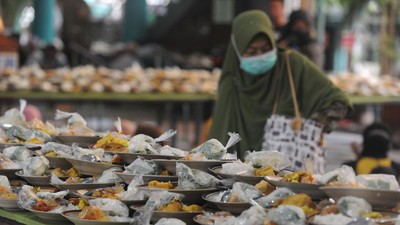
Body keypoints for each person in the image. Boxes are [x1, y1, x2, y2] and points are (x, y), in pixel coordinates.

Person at [208, 10, 351, 160]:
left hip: (285, 175)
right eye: (251, 51)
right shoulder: (231, 79)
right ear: (237, 51)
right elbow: (219, 136)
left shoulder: (292, 64)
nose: (260, 56)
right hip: (235, 175)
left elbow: (338, 101)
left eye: (266, 49)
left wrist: (310, 128)